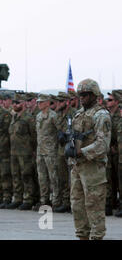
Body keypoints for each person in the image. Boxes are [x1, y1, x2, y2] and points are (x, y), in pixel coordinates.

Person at [69, 79, 111, 240]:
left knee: (94, 208)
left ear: (94, 95)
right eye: (80, 95)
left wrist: (81, 152)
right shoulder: (80, 114)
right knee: (77, 207)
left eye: (85, 95)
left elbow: (103, 144)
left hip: (93, 168)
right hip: (78, 167)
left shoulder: (101, 115)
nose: (82, 98)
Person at [35, 94, 59, 211]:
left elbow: (59, 132)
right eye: (38, 102)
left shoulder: (53, 116)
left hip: (51, 151)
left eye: (41, 102)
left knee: (53, 177)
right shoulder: (39, 116)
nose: (39, 104)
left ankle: (56, 201)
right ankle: (44, 200)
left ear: (47, 103)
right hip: (40, 150)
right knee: (42, 177)